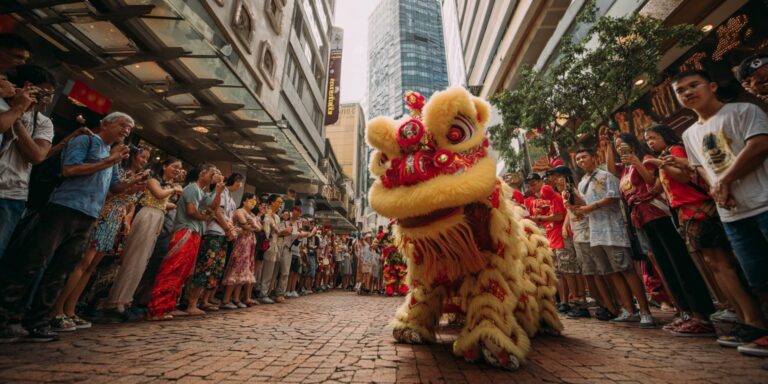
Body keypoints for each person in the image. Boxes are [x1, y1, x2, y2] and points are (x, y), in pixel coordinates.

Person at [0, 111, 134, 342]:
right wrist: (108, 161)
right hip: (64, 207)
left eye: (129, 129)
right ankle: (6, 318)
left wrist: (131, 184)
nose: (126, 130)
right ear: (105, 123)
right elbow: (69, 170)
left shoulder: (111, 154)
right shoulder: (86, 140)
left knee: (61, 269)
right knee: (33, 261)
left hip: (89, 215)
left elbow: (114, 187)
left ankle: (38, 321)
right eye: (123, 125)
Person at [672, 69, 768, 353]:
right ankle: (760, 329)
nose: (688, 92)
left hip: (763, 201)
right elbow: (700, 167)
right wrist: (717, 187)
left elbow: (760, 144)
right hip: (732, 214)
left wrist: (725, 181)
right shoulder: (689, 133)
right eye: (681, 90)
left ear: (712, 85)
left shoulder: (743, 111)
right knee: (757, 276)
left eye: (694, 85)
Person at [607, 130, 717, 336]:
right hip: (642, 218)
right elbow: (611, 167)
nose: (619, 148)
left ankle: (700, 313)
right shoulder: (624, 169)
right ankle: (685, 312)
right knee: (665, 264)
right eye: (616, 146)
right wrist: (606, 144)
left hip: (659, 213)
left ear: (632, 144)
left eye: (622, 144)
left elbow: (652, 185)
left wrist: (637, 162)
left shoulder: (648, 159)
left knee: (678, 261)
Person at [50, 145, 149, 328]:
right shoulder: (119, 171)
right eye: (142, 157)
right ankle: (57, 309)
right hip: (103, 214)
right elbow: (108, 193)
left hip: (115, 221)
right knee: (82, 263)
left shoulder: (137, 178)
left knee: (91, 267)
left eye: (146, 159)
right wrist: (129, 188)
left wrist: (127, 216)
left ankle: (71, 310)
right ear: (133, 156)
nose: (144, 161)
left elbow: (130, 204)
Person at [572, 148, 655, 328]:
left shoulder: (606, 174)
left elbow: (613, 197)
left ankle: (645, 311)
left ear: (593, 158)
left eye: (584, 156)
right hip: (595, 232)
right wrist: (576, 206)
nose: (580, 161)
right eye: (577, 159)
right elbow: (584, 206)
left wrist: (590, 208)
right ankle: (629, 310)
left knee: (626, 269)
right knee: (611, 272)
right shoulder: (581, 183)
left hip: (613, 230)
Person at [101, 157, 183, 316]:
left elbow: (163, 203)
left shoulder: (168, 185)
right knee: (134, 257)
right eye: (174, 166)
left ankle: (125, 299)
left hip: (158, 216)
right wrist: (174, 189)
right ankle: (116, 301)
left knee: (142, 260)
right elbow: (159, 195)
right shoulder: (153, 179)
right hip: (148, 215)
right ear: (164, 166)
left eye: (179, 168)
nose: (177, 170)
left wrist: (174, 197)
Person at [146, 163, 224, 321]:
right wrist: (204, 217)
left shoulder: (202, 191)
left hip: (194, 232)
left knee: (182, 271)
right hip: (185, 231)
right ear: (202, 173)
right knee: (172, 269)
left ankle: (167, 306)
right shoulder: (192, 188)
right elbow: (191, 211)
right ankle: (156, 308)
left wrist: (218, 190)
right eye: (212, 172)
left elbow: (213, 207)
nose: (214, 175)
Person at [0, 65, 54, 259]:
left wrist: (17, 116)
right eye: (42, 92)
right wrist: (15, 109)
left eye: (50, 95)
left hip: (11, 194)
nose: (45, 99)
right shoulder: (3, 105)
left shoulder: (44, 122)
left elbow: (38, 155)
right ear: (28, 86)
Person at [186, 172, 241, 315]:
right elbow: (217, 212)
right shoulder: (220, 193)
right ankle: (192, 302)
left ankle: (204, 300)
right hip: (214, 232)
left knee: (216, 268)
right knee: (206, 266)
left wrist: (230, 229)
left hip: (223, 234)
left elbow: (227, 215)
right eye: (238, 181)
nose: (239, 185)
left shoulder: (228, 195)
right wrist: (228, 228)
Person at [525, 173, 578, 313]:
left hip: (561, 236)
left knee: (569, 271)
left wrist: (542, 218)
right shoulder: (535, 200)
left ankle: (578, 301)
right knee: (558, 273)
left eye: (534, 183)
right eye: (530, 185)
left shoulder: (553, 196)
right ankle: (564, 302)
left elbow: (560, 215)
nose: (532, 187)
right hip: (549, 239)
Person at [221, 192, 262, 308]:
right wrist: (253, 225)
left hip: (250, 244)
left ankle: (236, 298)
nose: (253, 204)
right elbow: (245, 225)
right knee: (236, 269)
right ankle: (226, 299)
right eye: (251, 201)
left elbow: (259, 228)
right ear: (244, 200)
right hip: (241, 243)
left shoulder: (252, 215)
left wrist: (253, 225)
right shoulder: (240, 211)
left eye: (254, 202)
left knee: (244, 272)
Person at [257, 195, 283, 304]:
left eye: (281, 203)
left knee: (269, 271)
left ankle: (265, 292)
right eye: (278, 202)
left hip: (274, 245)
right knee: (260, 270)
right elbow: (267, 228)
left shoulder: (277, 217)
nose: (280, 204)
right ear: (272, 202)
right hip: (265, 243)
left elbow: (278, 230)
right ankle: (260, 292)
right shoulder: (266, 213)